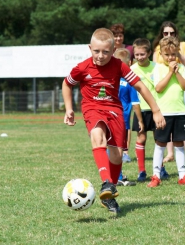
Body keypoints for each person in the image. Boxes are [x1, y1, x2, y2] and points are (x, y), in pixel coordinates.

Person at [62, 28, 165, 214]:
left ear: (113, 49)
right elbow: (67, 83)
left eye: (106, 52)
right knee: (97, 134)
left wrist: (156, 110)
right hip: (92, 108)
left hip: (114, 110)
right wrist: (69, 109)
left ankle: (109, 193)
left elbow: (140, 86)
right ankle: (107, 183)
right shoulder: (82, 67)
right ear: (90, 48)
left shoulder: (119, 66)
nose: (101, 56)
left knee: (117, 154)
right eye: (96, 51)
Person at [147, 36, 185, 187]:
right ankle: (156, 175)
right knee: (160, 143)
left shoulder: (181, 68)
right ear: (161, 54)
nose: (170, 57)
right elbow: (158, 88)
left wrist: (177, 73)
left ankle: (183, 175)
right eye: (167, 54)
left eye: (173, 54)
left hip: (179, 112)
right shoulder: (158, 69)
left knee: (179, 143)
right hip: (163, 113)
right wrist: (169, 72)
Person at [130, 38, 157, 182]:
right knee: (141, 138)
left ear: (149, 53)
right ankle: (142, 171)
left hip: (156, 109)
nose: (139, 57)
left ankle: (160, 168)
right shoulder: (132, 69)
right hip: (140, 109)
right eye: (137, 54)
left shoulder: (157, 67)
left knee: (159, 139)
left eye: (142, 54)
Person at [112, 48, 140, 186]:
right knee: (119, 148)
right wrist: (140, 120)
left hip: (109, 117)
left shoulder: (110, 78)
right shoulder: (130, 81)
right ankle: (118, 176)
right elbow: (135, 103)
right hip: (122, 119)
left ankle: (112, 176)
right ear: (130, 62)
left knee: (110, 146)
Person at [110, 23, 134, 162]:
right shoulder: (108, 50)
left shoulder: (128, 49)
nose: (118, 38)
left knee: (126, 123)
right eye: (116, 35)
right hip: (112, 89)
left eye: (120, 35)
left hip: (125, 90)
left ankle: (125, 151)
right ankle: (112, 149)